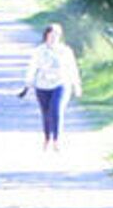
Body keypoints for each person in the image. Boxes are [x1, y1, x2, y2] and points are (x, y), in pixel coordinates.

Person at [20, 22, 81, 152]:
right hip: (42, 85)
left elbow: (72, 68)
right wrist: (28, 82)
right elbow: (32, 67)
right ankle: (47, 138)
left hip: (60, 83)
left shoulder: (65, 51)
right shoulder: (39, 51)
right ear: (46, 35)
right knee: (46, 113)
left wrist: (76, 85)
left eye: (57, 35)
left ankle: (57, 140)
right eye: (52, 35)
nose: (54, 38)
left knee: (56, 109)